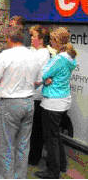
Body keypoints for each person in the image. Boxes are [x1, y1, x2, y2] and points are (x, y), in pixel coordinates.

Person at [0, 26, 40, 179]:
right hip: (29, 102)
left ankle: (6, 177)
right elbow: (38, 82)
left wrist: (8, 82)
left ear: (10, 39)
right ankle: (19, 177)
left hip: (11, 103)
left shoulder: (6, 55)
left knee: (6, 143)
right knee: (23, 144)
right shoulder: (34, 56)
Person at [35, 27, 77, 179]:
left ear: (58, 41)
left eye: (52, 40)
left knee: (50, 138)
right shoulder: (70, 57)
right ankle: (62, 164)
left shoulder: (59, 58)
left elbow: (43, 73)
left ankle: (53, 172)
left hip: (52, 102)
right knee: (55, 135)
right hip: (63, 101)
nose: (50, 43)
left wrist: (45, 79)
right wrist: (47, 79)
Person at [27, 25, 51, 166]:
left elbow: (34, 72)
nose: (31, 38)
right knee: (29, 127)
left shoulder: (43, 54)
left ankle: (34, 158)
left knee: (36, 128)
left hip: (37, 95)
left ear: (41, 39)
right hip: (29, 94)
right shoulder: (32, 51)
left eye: (33, 36)